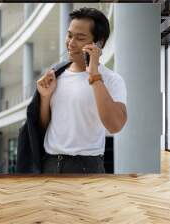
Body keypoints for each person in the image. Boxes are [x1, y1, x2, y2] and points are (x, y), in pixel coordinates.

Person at [36, 7, 128, 174]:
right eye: (69, 35)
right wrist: (45, 98)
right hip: (49, 164)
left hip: (86, 167)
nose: (71, 43)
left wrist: (94, 74)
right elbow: (42, 127)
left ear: (99, 42)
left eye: (80, 38)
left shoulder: (112, 80)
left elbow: (115, 126)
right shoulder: (56, 73)